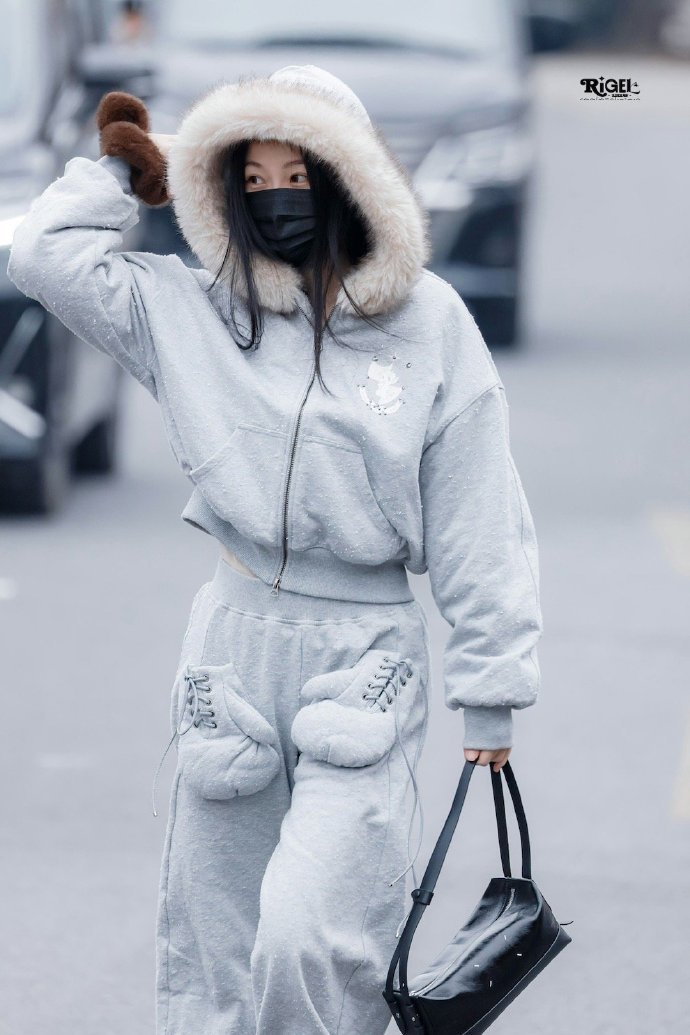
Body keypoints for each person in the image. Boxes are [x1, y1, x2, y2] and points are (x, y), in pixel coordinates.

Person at [7, 64, 542, 1035]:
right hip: (233, 650)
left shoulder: (429, 324)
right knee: (215, 946)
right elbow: (42, 257)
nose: (277, 197)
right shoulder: (190, 309)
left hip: (367, 660)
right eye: (251, 179)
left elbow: (479, 513)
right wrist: (138, 168)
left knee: (310, 938)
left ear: (349, 179)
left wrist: (491, 688)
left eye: (298, 173)